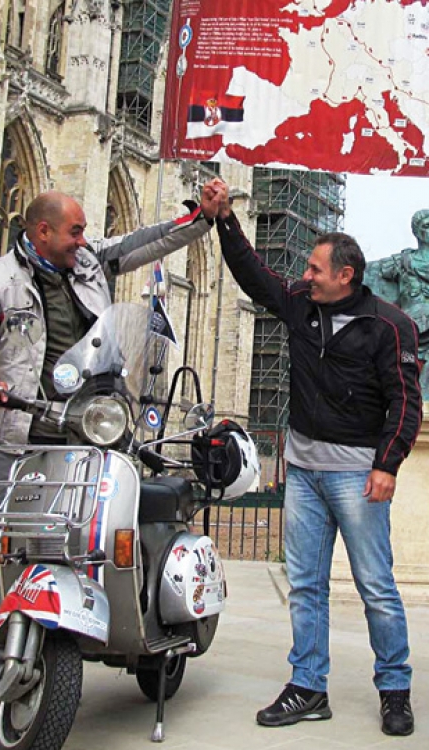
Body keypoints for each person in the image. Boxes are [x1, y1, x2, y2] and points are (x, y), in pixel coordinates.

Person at [0, 183, 225, 722]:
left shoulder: (89, 261)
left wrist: (201, 219)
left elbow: (143, 242)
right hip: (22, 434)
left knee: (97, 542)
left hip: (89, 432)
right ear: (42, 231)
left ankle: (93, 636)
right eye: (75, 231)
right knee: (5, 553)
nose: (83, 239)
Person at [209, 180, 422, 737]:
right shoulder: (301, 304)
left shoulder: (389, 325)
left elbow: (405, 402)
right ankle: (308, 686)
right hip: (303, 474)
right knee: (306, 586)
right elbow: (254, 276)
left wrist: (387, 465)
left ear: (345, 275)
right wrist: (225, 219)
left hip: (357, 476)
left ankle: (394, 690)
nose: (305, 275)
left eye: (315, 269)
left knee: (376, 586)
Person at [364, 209, 429, 401]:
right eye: (426, 226)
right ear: (417, 232)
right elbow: (364, 275)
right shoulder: (401, 262)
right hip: (412, 325)